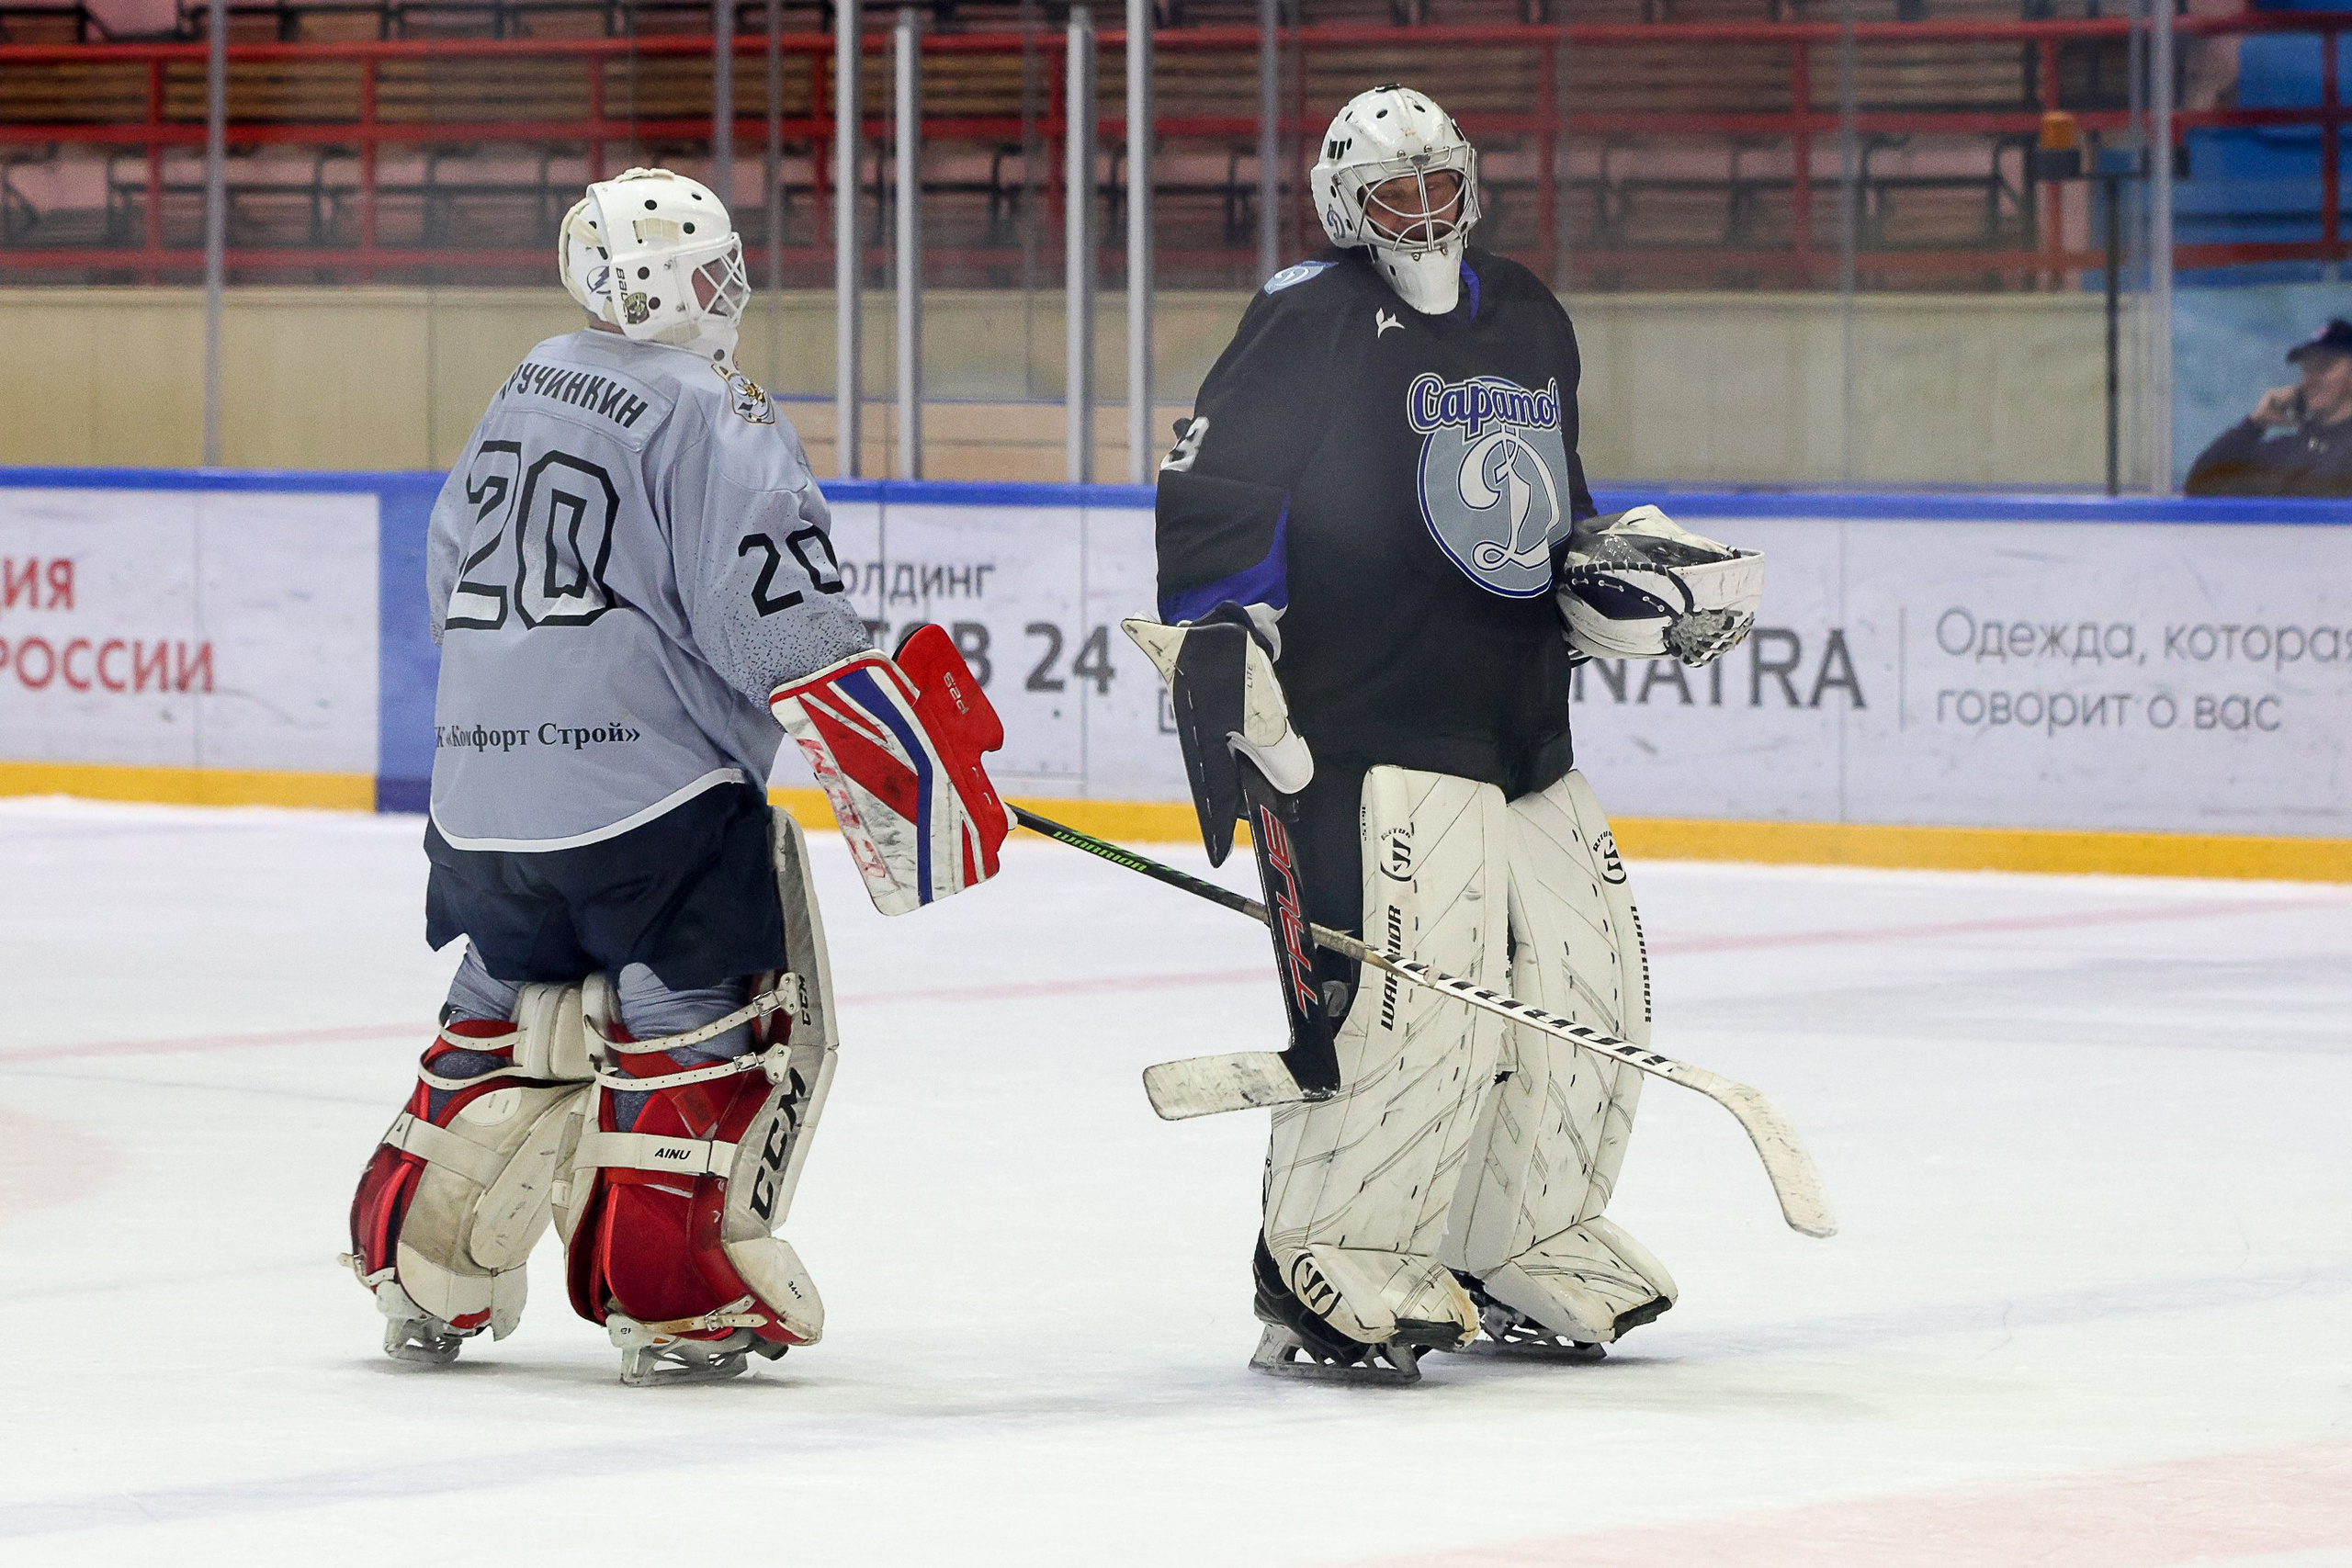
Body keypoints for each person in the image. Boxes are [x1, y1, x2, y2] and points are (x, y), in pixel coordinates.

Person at [341, 166, 1013, 1386]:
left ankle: (412, 1255)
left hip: (477, 807)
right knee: (708, 1019)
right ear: (647, 282)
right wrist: (885, 738)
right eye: (707, 268)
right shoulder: (717, 406)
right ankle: (674, 1288)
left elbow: (448, 577)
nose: (728, 289)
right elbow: (777, 617)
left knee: (500, 1002)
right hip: (646, 804)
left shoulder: (523, 381)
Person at [1136, 86, 1764, 1382]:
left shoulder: (1528, 307)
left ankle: (1523, 1229)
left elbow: (1553, 506)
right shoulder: (1308, 314)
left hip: (1525, 719)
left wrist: (1617, 588)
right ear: (1342, 206)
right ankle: (1334, 1253)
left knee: (1590, 997)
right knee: (1406, 1011)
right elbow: (1213, 496)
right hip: (1369, 723)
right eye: (1391, 194)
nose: (1421, 214)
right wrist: (1224, 648)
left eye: (1438, 187)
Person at [2186, 317, 2352, 497]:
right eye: (2306, 369)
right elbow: (2199, 486)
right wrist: (2255, 424)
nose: (2309, 380)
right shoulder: (2289, 450)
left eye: (2323, 367)